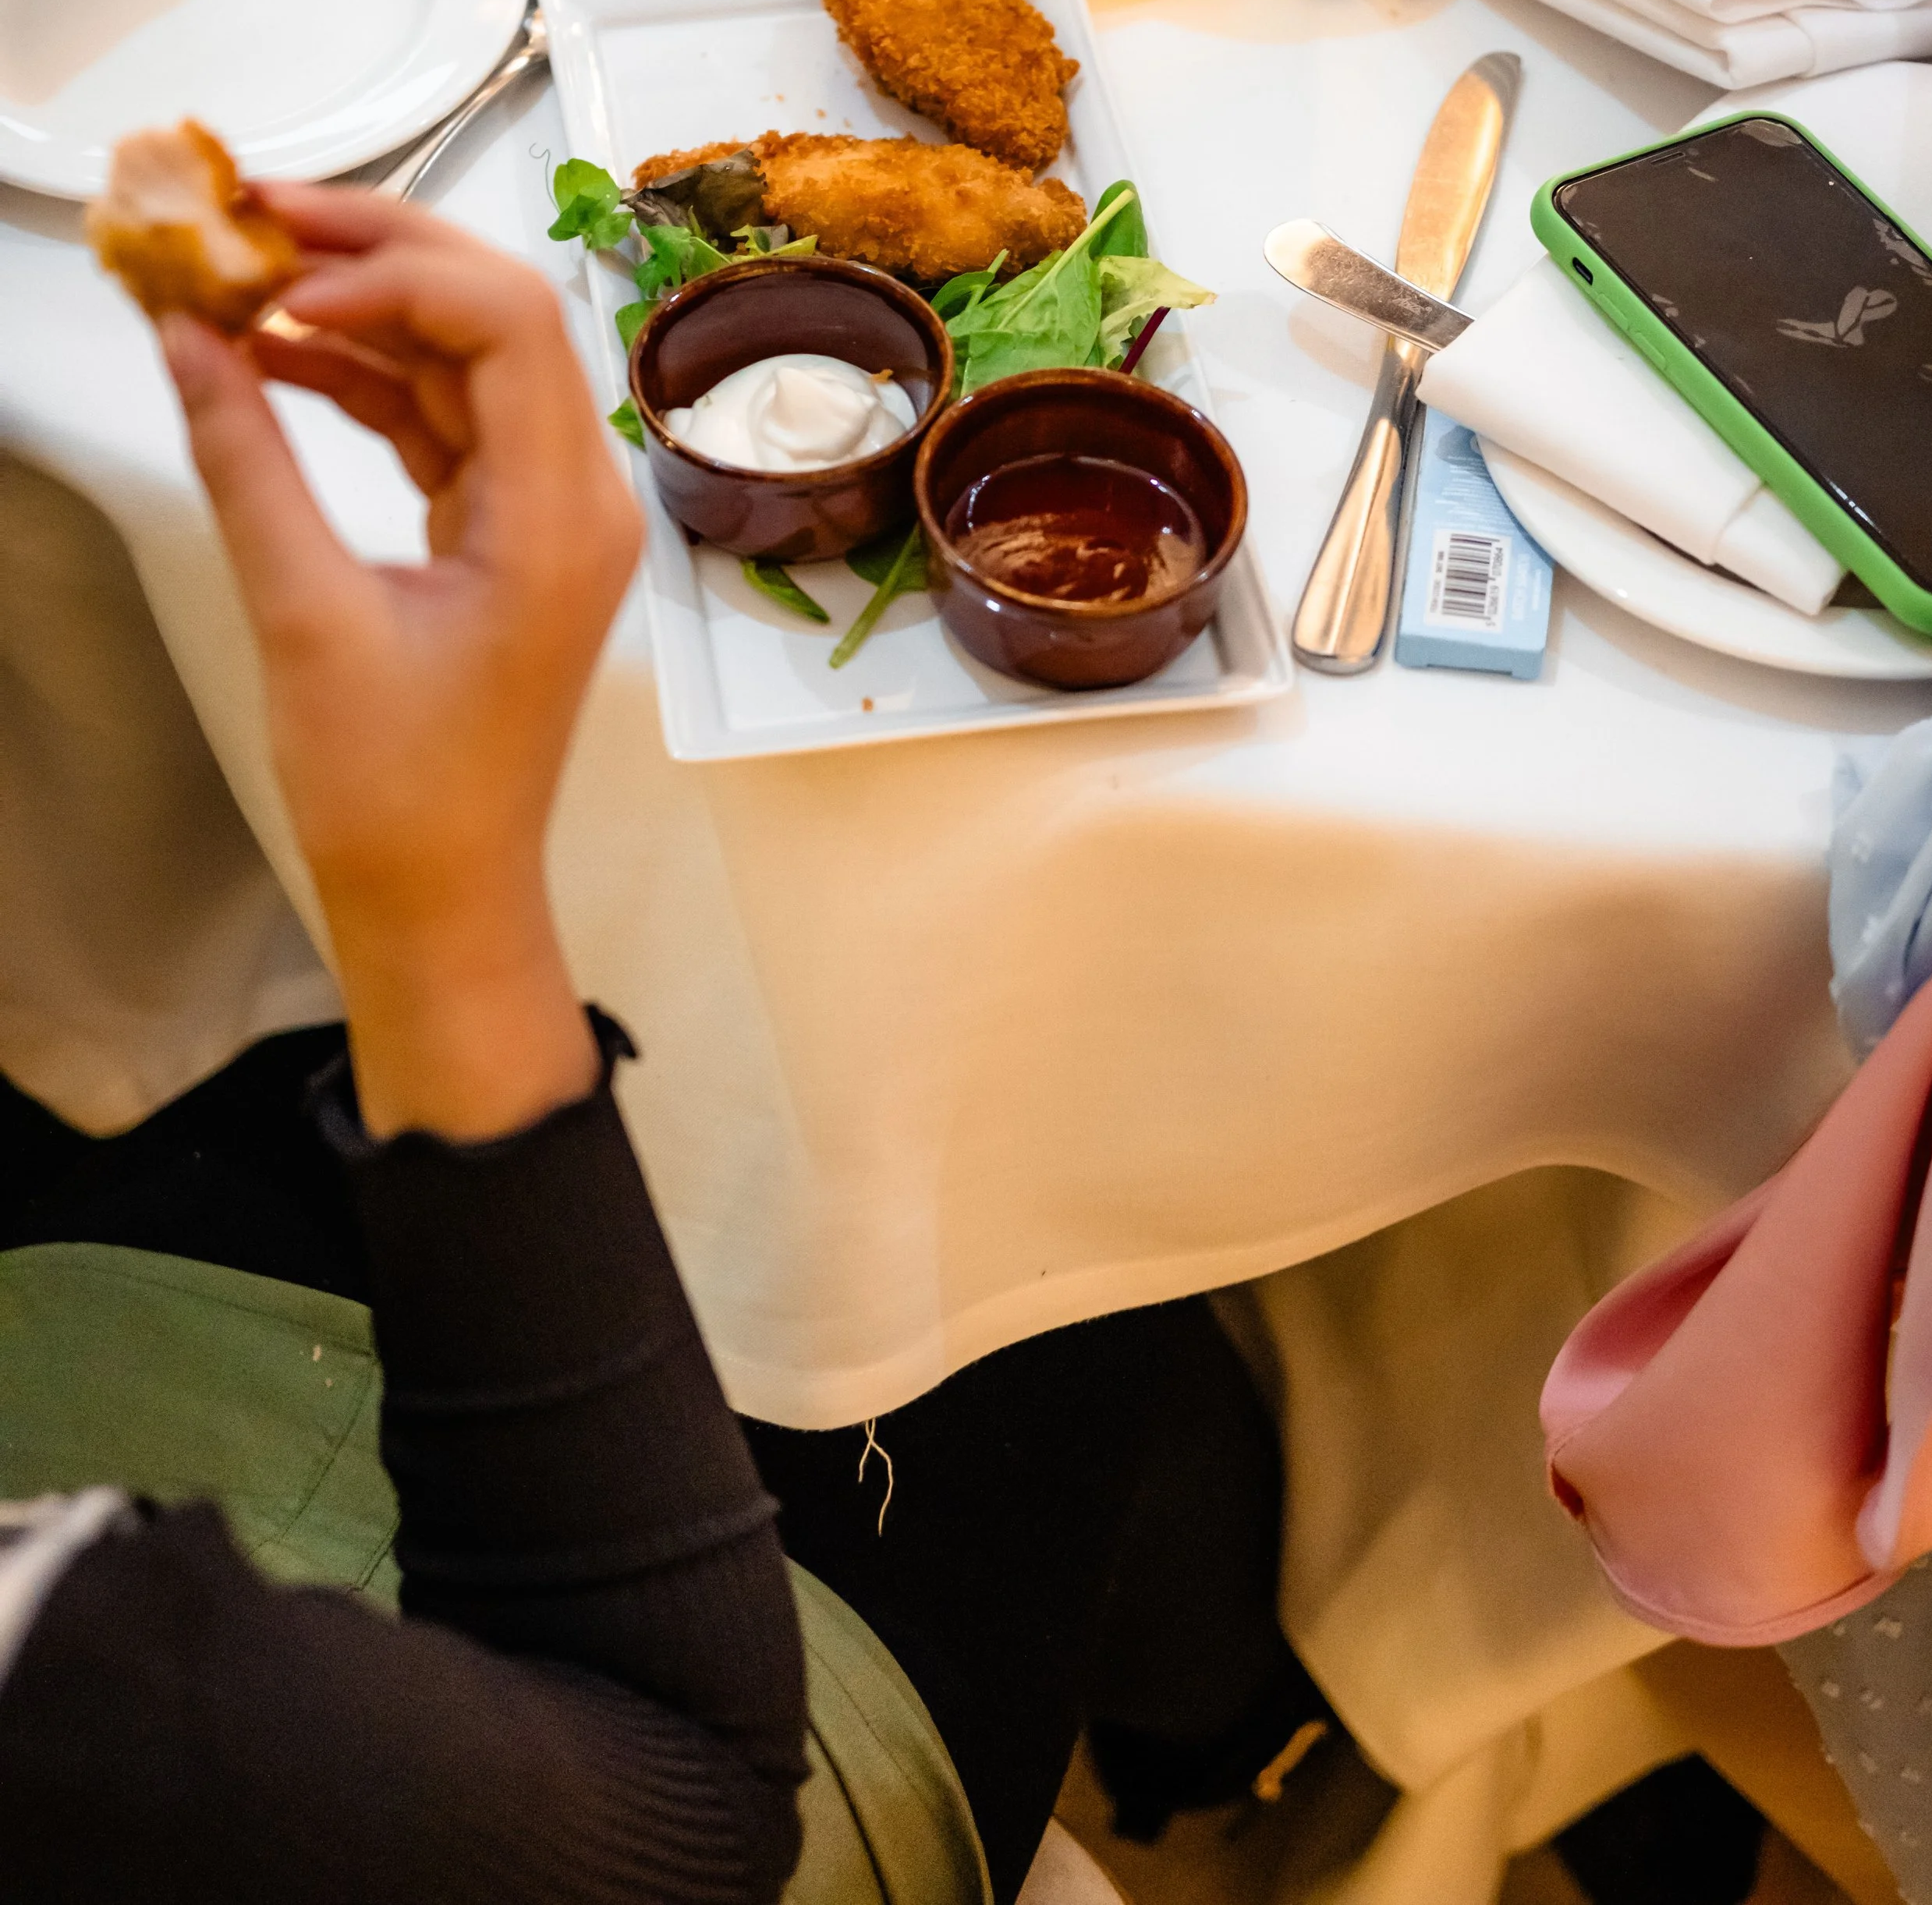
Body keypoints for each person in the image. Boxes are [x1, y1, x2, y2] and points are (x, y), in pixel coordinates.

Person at [0, 186, 1320, 1904]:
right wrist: (438, 887)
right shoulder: (97, 1711)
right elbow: (687, 1810)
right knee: (1061, 1196)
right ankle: (1227, 1744)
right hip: (621, 1745)